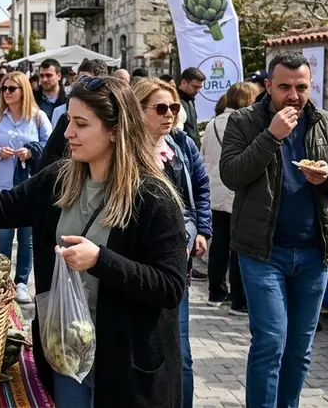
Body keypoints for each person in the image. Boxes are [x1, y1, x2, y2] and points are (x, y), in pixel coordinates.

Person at [0, 75, 187, 407]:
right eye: (69, 120)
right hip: (66, 350)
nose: (68, 132)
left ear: (115, 130)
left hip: (127, 362)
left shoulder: (154, 197)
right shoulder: (59, 179)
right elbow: (1, 208)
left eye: (81, 124)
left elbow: (170, 286)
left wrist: (101, 260)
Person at [220, 52, 328, 408]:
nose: (294, 95)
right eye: (285, 87)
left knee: (300, 348)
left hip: (314, 252)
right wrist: (271, 136)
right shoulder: (244, 121)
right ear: (268, 86)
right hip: (263, 252)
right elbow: (232, 175)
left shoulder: (325, 122)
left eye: (301, 87)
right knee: (270, 342)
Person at [134, 77, 212, 408]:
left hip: (176, 264)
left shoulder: (182, 146)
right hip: (135, 264)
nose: (170, 115)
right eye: (161, 108)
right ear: (138, 112)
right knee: (139, 349)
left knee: (180, 350)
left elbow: (200, 190)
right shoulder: (124, 152)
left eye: (174, 108)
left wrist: (203, 230)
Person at [0, 71, 52, 303]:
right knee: (2, 237)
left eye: (12, 88)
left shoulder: (38, 117)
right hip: (3, 188)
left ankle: (22, 282)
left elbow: (50, 146)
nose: (6, 93)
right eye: (4, 89)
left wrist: (31, 151)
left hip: (30, 186)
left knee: (27, 239)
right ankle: (1, 280)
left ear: (24, 90)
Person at [202, 82, 256, 315]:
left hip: (216, 189)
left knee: (219, 244)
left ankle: (216, 293)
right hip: (237, 190)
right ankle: (238, 299)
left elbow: (205, 154)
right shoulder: (247, 124)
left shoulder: (213, 123)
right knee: (238, 246)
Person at [176, 68, 205, 145]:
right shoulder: (174, 100)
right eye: (195, 87)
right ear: (183, 82)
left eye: (200, 87)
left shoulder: (190, 100)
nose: (198, 90)